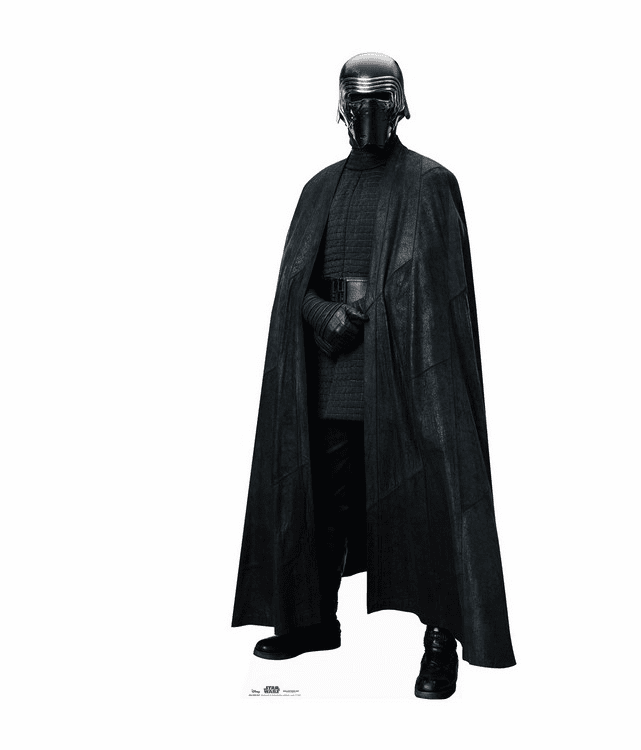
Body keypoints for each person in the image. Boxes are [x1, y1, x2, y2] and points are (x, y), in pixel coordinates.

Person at [232, 52, 515, 699]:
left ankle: (440, 641)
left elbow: (437, 292)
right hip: (332, 379)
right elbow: (294, 288)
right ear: (340, 108)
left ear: (399, 104)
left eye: (378, 100)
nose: (366, 113)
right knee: (323, 501)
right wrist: (325, 314)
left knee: (430, 501)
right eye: (355, 101)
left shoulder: (429, 183)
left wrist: (365, 313)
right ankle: (312, 620)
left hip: (412, 384)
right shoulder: (319, 189)